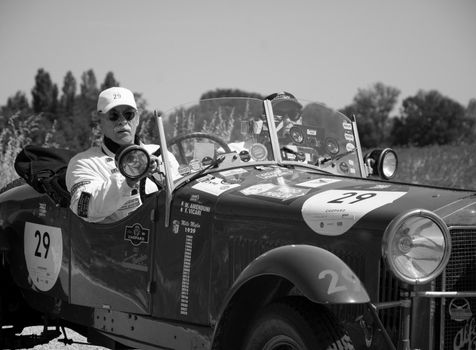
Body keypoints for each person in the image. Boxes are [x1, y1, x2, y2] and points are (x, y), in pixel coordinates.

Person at [66, 86, 179, 223]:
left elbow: (184, 194)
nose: (122, 121)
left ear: (137, 118)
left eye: (128, 114)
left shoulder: (161, 154)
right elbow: (83, 209)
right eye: (113, 116)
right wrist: (129, 179)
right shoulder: (84, 162)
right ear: (100, 121)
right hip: (118, 242)